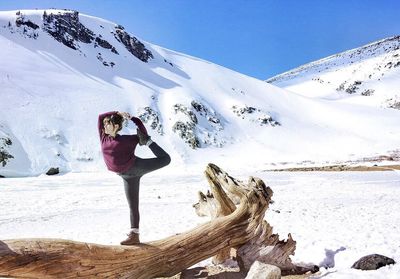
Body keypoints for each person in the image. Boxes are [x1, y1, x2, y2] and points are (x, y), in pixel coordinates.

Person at [98, 111, 171, 245]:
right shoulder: (104, 138)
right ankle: (134, 235)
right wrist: (116, 112)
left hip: (136, 167)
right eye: (105, 124)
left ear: (115, 126)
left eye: (108, 124)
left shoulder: (127, 140)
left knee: (165, 159)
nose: (104, 126)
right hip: (126, 177)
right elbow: (100, 117)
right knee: (133, 206)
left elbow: (142, 132)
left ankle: (149, 143)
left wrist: (133, 118)